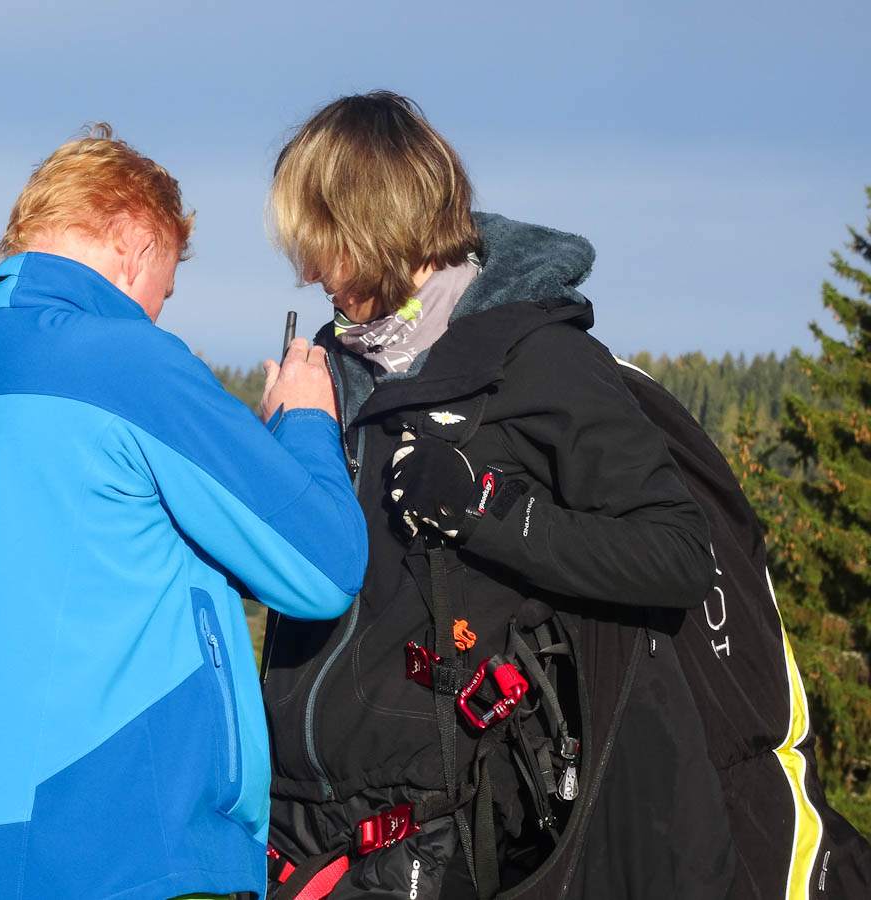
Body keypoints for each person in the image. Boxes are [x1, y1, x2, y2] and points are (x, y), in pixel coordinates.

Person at [260, 93, 735, 898]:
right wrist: (282, 449)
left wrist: (485, 508)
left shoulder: (535, 359)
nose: (309, 273)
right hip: (292, 829)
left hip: (445, 840)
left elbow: (677, 554)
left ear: (376, 223)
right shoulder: (326, 373)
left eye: (322, 244)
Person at [0, 125, 367, 899]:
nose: (156, 316)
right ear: (135, 246)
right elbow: (322, 566)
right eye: (162, 293)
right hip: (127, 846)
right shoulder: (127, 361)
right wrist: (304, 421)